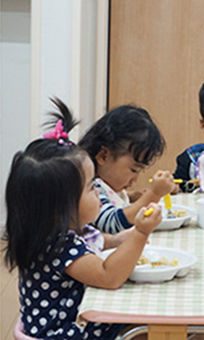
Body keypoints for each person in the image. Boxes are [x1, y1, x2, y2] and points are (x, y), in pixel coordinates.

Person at [3, 98, 162, 339]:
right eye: (90, 187)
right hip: (64, 333)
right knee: (141, 321)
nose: (98, 191)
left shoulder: (65, 231)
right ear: (61, 206)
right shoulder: (59, 246)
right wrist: (140, 233)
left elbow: (99, 240)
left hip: (70, 322)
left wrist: (120, 240)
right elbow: (109, 276)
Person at [79, 104, 177, 234]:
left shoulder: (104, 185)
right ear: (103, 156)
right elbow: (113, 223)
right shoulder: (90, 190)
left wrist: (131, 196)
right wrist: (154, 194)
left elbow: (109, 199)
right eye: (133, 170)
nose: (135, 180)